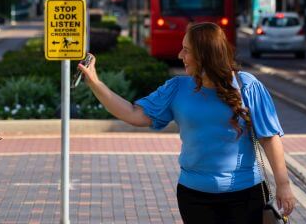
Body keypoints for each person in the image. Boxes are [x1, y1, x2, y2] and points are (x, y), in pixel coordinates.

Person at [78, 22, 295, 223]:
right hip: (195, 197)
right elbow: (133, 114)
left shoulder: (247, 86)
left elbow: (269, 137)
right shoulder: (177, 88)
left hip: (246, 195)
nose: (180, 55)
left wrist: (283, 185)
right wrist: (95, 82)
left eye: (186, 50)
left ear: (204, 55)